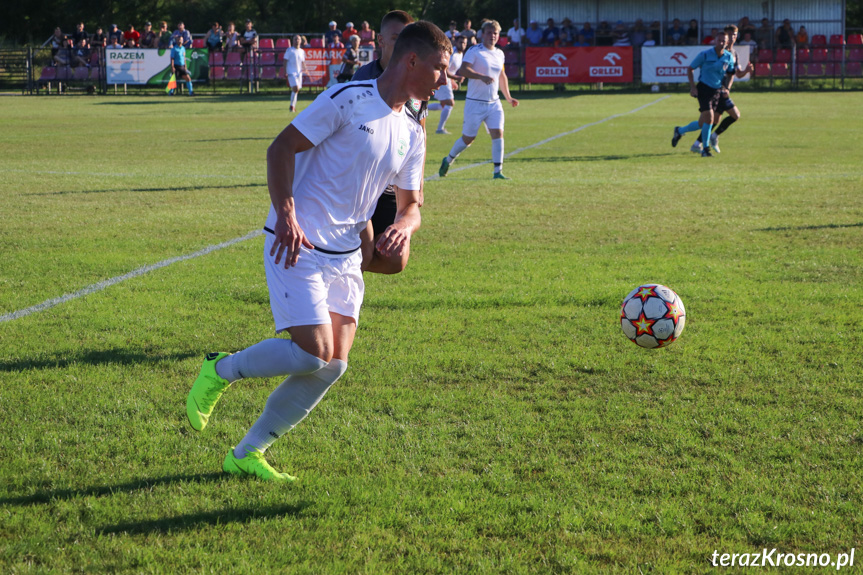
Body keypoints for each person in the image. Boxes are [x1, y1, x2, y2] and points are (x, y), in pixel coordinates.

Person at [185, 21, 449, 482]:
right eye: (440, 68)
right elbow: (281, 147)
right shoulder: (347, 98)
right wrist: (285, 212)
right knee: (312, 354)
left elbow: (411, 206)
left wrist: (404, 229)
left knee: (334, 365)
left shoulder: (413, 130)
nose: (445, 79)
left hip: (348, 255)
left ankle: (246, 454)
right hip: (298, 242)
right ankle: (219, 370)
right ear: (412, 61)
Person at [351, 10, 428, 275]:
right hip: (362, 182)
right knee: (363, 253)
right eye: (396, 38)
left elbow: (420, 130)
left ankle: (343, 261)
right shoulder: (363, 80)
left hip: (393, 186)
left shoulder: (418, 79)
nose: (403, 45)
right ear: (380, 41)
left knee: (396, 260)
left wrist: (418, 179)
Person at [439, 19, 519, 180]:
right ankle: (448, 159)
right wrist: (480, 76)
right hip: (475, 103)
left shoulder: (499, 53)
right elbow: (463, 70)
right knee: (468, 138)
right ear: (483, 34)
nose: (492, 36)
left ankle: (498, 172)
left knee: (498, 133)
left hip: (494, 103)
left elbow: (501, 76)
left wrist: (508, 97)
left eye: (495, 33)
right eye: (489, 32)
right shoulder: (475, 51)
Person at [690, 24, 754, 154]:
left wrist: (746, 71)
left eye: (734, 36)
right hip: (716, 89)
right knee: (722, 118)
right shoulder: (718, 52)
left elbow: (736, 74)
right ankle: (703, 141)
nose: (732, 38)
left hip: (723, 91)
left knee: (714, 120)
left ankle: (699, 142)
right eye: (729, 35)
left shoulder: (734, 54)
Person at [670, 30, 734, 158]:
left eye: (724, 41)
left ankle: (679, 131)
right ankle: (705, 149)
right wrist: (693, 87)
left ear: (727, 43)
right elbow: (690, 69)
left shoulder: (728, 57)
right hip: (704, 89)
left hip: (716, 91)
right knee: (710, 119)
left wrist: (727, 88)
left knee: (702, 123)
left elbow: (731, 73)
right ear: (715, 41)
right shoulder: (705, 55)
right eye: (719, 40)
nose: (721, 43)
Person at [434, 34, 467, 134]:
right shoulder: (453, 53)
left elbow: (451, 70)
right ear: (456, 43)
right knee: (450, 103)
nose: (463, 44)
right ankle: (440, 129)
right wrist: (457, 78)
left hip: (448, 80)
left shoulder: (460, 54)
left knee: (443, 105)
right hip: (443, 78)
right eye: (461, 42)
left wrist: (453, 81)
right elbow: (445, 70)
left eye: (465, 43)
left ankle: (423, 107)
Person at [284, 35, 307, 112]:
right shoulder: (289, 50)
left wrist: (305, 68)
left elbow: (303, 61)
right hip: (291, 72)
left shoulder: (302, 51)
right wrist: (285, 71)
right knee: (296, 88)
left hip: (299, 73)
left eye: (298, 39)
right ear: (292, 41)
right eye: (295, 39)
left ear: (301, 41)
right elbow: (285, 61)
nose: (297, 40)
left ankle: (293, 106)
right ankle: (291, 106)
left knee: (296, 90)